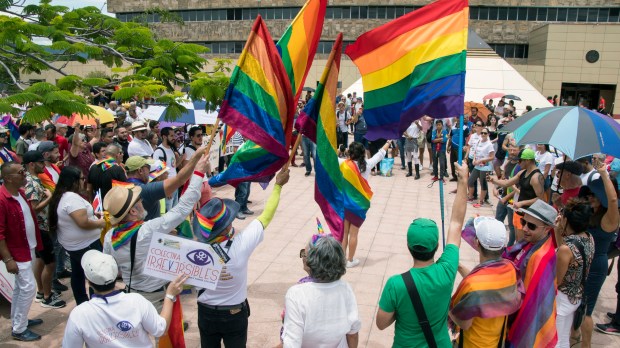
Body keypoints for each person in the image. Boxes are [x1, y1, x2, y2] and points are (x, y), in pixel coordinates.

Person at [376, 162, 468, 347]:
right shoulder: (447, 270)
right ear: (436, 247)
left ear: (409, 246)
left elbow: (381, 323)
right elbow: (457, 223)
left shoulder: (396, 284)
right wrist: (463, 181)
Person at [102, 151, 209, 309]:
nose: (141, 203)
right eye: (138, 201)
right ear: (132, 211)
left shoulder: (110, 236)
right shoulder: (146, 231)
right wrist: (199, 171)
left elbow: (111, 270)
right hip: (157, 298)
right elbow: (183, 208)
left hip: (132, 295)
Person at [196, 169, 289, 347]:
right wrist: (277, 186)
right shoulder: (241, 245)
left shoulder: (193, 251)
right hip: (234, 314)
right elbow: (266, 216)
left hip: (205, 313)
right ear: (226, 226)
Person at [62, 250, 189, 347]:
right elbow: (160, 329)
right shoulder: (136, 301)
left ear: (88, 282)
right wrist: (169, 295)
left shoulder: (79, 314)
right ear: (116, 274)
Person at [449, 217, 523, 347]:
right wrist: (459, 267)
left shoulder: (473, 284)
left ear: (477, 242)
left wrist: (446, 306)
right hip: (497, 342)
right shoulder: (510, 269)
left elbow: (464, 323)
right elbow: (485, 289)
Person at [281, 234, 361, 347]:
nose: (303, 256)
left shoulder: (296, 294)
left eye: (304, 253)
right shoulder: (345, 289)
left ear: (311, 261)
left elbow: (291, 343)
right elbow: (353, 333)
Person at [503, 199, 558, 347]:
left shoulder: (539, 257)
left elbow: (529, 301)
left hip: (521, 318)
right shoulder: (531, 243)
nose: (525, 228)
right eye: (523, 222)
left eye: (531, 226)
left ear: (546, 229)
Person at [48, 166, 106, 305]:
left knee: (78, 273)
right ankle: (96, 303)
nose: (84, 181)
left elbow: (77, 217)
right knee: (96, 274)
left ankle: (82, 301)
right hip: (86, 245)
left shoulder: (62, 195)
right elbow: (83, 223)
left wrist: (92, 214)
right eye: (81, 178)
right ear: (73, 181)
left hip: (75, 245)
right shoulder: (71, 198)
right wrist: (100, 223)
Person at [0, 162, 45, 341]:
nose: (25, 174)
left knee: (21, 288)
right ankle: (19, 329)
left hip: (28, 247)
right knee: (28, 288)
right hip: (17, 253)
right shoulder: (2, 199)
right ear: (9, 178)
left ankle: (20, 320)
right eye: (21, 172)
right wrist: (8, 258)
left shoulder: (20, 193)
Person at [577, 164, 619, 347]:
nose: (590, 197)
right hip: (581, 264)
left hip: (595, 267)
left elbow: (612, 201)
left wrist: (604, 175)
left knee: (586, 310)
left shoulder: (609, 219)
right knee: (577, 306)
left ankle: (586, 345)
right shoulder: (591, 214)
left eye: (594, 195)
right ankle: (573, 338)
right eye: (589, 194)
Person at [23, 151, 67, 309]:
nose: (44, 165)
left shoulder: (30, 180)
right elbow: (33, 209)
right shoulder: (33, 183)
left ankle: (42, 291)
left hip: (38, 228)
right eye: (41, 163)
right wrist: (49, 197)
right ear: (31, 164)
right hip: (41, 227)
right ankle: (48, 297)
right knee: (50, 263)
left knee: (41, 260)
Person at [340, 141, 390, 268]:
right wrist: (389, 141)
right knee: (354, 234)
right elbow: (380, 154)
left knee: (345, 233)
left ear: (350, 153)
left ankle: (341, 260)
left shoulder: (344, 164)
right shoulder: (367, 165)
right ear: (363, 153)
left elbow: (329, 155)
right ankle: (350, 260)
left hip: (346, 203)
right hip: (359, 205)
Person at [554, 199, 594, 348]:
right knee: (563, 338)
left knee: (556, 340)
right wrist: (558, 229)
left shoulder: (567, 249)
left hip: (562, 299)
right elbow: (567, 252)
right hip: (576, 297)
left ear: (566, 219)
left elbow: (557, 280)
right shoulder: (589, 238)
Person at [123, 147, 205, 221]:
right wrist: (196, 157)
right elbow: (180, 179)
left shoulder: (123, 188)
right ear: (140, 171)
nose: (149, 172)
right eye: (148, 168)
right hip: (149, 235)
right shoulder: (144, 190)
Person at [489, 148, 545, 242]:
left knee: (522, 240)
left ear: (527, 160)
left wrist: (522, 203)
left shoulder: (536, 177)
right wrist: (494, 180)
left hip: (528, 214)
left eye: (519, 161)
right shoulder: (523, 172)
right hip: (519, 211)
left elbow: (541, 199)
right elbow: (507, 183)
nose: (518, 163)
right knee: (517, 239)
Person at [494, 143, 520, 246]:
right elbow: (504, 179)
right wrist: (497, 188)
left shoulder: (520, 167)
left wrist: (506, 198)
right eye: (510, 150)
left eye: (514, 150)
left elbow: (517, 188)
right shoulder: (508, 163)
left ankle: (510, 247)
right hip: (503, 197)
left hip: (512, 200)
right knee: (498, 220)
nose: (512, 152)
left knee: (512, 226)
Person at [468, 127, 495, 208]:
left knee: (483, 183)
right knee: (470, 181)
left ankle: (481, 201)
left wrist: (482, 160)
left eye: (485, 133)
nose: (483, 134)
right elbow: (475, 151)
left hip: (485, 167)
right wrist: (474, 159)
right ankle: (471, 197)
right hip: (477, 165)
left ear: (488, 134)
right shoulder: (479, 141)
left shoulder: (489, 144)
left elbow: (492, 157)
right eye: (482, 133)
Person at [447, 116, 469, 182]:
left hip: (460, 148)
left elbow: (467, 138)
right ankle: (455, 176)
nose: (458, 119)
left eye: (460, 117)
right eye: (457, 117)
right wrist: (448, 146)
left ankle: (461, 177)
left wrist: (465, 146)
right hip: (453, 148)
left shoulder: (465, 128)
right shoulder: (453, 127)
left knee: (460, 162)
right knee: (452, 162)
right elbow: (450, 137)